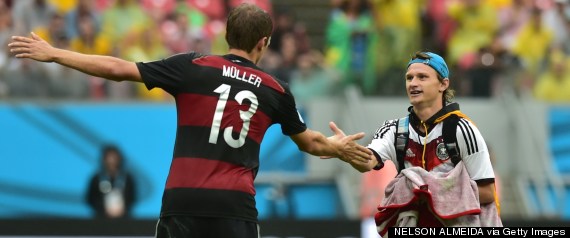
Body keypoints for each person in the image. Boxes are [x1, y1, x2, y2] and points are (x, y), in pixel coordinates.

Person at [9, 3, 372, 238]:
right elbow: (310, 142)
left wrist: (54, 53)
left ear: (226, 34)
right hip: (234, 208)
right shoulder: (275, 89)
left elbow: (118, 69)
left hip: (184, 202)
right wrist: (340, 150)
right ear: (264, 43)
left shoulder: (192, 67)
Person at [347, 51, 501, 230]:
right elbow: (368, 161)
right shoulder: (395, 130)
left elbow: (488, 192)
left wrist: (430, 193)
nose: (413, 83)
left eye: (422, 77)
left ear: (443, 84)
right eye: (409, 78)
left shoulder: (462, 130)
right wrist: (342, 151)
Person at [86, 144, 136, 219]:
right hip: (101, 218)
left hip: (124, 218)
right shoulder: (96, 178)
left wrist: (123, 209)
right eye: (109, 158)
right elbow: (90, 199)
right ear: (104, 159)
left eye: (114, 158)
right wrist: (103, 209)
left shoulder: (127, 178)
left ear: (119, 159)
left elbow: (133, 198)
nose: (112, 161)